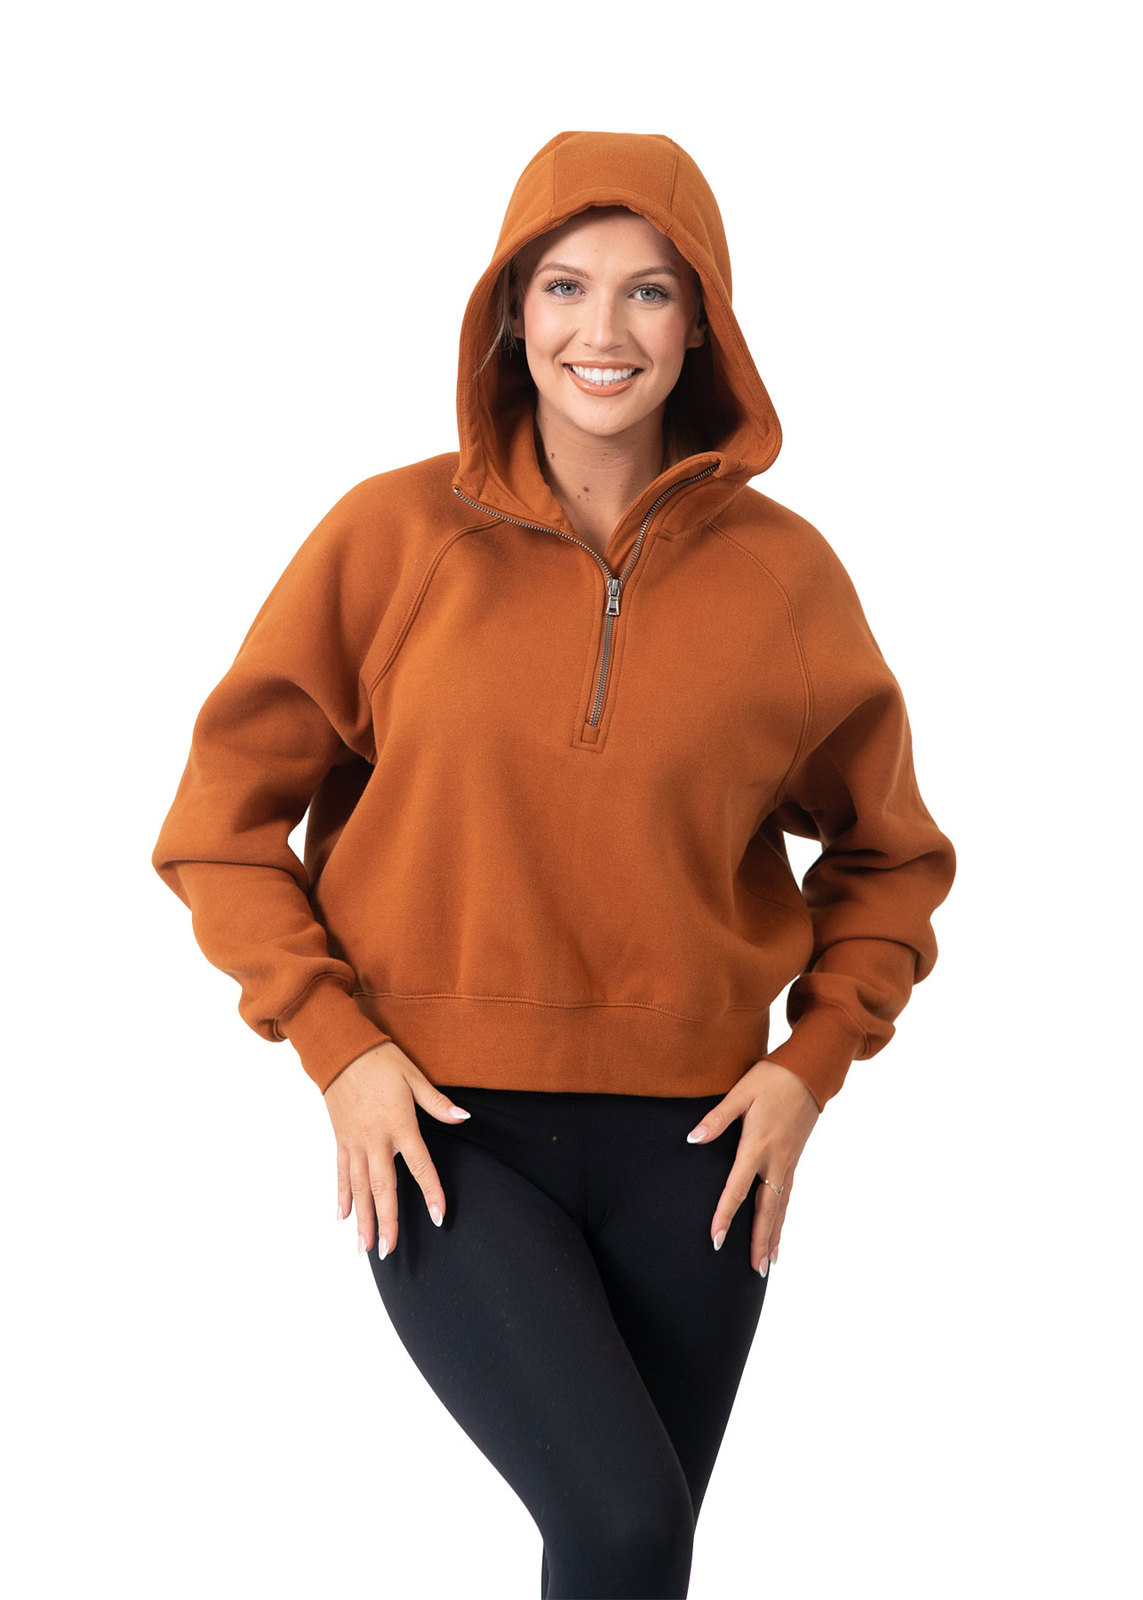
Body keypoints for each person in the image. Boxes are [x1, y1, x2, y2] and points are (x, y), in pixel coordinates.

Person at [152, 130, 956, 1598]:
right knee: (624, 1524)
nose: (605, 330)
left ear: (702, 323)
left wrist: (811, 1063)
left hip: (702, 1150)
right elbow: (219, 822)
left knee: (635, 1558)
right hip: (444, 1128)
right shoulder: (393, 538)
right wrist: (337, 1047)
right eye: (567, 286)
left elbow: (891, 856)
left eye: (651, 291)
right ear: (510, 310)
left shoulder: (786, 579)